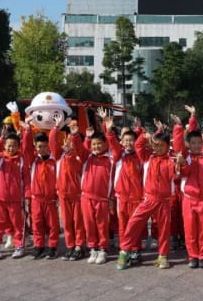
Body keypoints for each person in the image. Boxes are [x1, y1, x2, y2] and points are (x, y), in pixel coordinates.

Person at [117, 130, 182, 270]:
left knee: (164, 229)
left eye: (161, 145)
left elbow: (176, 175)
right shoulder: (147, 157)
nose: (158, 148)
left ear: (167, 146)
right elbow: (138, 145)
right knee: (133, 223)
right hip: (148, 199)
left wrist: (179, 164)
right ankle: (125, 251)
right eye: (156, 145)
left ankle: (163, 255)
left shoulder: (171, 160)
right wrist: (144, 135)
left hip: (164, 201)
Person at [172, 114, 203, 269]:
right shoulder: (186, 158)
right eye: (193, 143)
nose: (197, 145)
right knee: (190, 230)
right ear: (188, 144)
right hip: (189, 199)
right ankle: (192, 256)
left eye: (199, 143)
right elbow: (178, 146)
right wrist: (179, 128)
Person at [105, 115, 145, 267]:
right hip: (122, 198)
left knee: (135, 226)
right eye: (125, 140)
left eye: (131, 140)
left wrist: (139, 130)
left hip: (136, 198)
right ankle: (125, 250)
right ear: (121, 142)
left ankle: (136, 250)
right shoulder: (119, 156)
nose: (128, 143)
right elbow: (113, 144)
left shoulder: (140, 157)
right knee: (123, 225)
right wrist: (109, 131)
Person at [75, 108, 114, 265]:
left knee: (102, 225)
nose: (96, 146)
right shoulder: (87, 157)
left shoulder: (110, 159)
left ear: (105, 144)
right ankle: (93, 248)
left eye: (99, 144)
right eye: (93, 144)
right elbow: (80, 149)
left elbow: (113, 145)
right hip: (86, 197)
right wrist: (77, 136)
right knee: (89, 224)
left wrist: (107, 128)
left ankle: (103, 249)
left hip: (102, 199)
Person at [0, 129, 30, 260]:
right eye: (9, 145)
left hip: (16, 199)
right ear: (4, 145)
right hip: (0, 197)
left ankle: (19, 246)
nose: (11, 148)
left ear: (18, 146)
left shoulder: (22, 160)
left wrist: (27, 195)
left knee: (17, 224)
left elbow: (27, 179)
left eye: (14, 145)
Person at [21, 121, 59, 260]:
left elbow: (55, 143)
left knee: (53, 225)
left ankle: (52, 247)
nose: (42, 149)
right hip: (36, 200)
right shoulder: (33, 161)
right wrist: (27, 131)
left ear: (48, 146)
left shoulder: (54, 161)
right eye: (39, 147)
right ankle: (39, 247)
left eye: (44, 146)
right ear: (35, 147)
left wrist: (55, 128)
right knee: (37, 224)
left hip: (51, 200)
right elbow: (26, 148)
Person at [51, 115, 85, 261]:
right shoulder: (59, 157)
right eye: (66, 141)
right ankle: (70, 246)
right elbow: (53, 143)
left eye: (71, 142)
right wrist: (56, 127)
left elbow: (76, 167)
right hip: (63, 195)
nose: (68, 144)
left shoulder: (79, 158)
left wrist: (71, 151)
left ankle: (79, 246)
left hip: (77, 196)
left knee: (78, 222)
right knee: (66, 222)